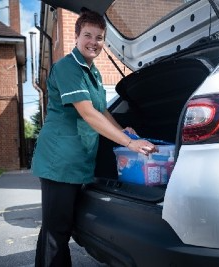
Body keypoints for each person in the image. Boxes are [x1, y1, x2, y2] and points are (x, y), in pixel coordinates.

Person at [31, 7, 158, 267]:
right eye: (88, 35)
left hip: (78, 160)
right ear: (77, 37)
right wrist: (130, 143)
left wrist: (123, 131)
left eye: (99, 37)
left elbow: (102, 109)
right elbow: (88, 114)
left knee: (61, 226)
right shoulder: (68, 67)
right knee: (56, 229)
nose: (94, 42)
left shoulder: (93, 72)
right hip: (60, 162)